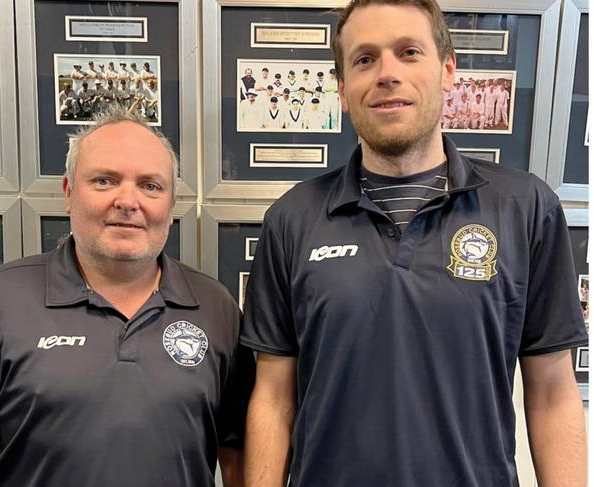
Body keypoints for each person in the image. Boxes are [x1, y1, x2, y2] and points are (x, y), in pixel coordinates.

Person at [241, 0, 588, 486]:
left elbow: (553, 389)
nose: (387, 74)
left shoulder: (525, 208)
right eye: (364, 59)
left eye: (408, 52)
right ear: (342, 90)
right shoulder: (292, 219)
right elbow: (273, 397)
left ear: (447, 71)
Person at [0, 105, 254, 487]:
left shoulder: (215, 308)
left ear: (171, 204)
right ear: (69, 193)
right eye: (104, 181)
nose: (128, 201)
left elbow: (236, 449)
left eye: (150, 185)